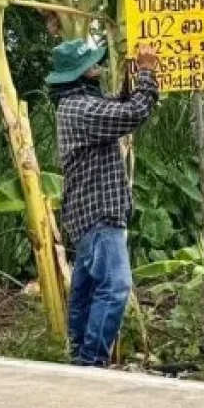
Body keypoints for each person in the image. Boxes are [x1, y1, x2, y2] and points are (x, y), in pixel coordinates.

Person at [47, 38, 160, 366]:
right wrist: (148, 73)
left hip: (86, 215)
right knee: (115, 286)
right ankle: (91, 359)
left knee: (84, 292)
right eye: (93, 67)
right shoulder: (82, 109)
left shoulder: (73, 106)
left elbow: (115, 107)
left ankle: (78, 356)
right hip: (99, 213)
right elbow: (133, 112)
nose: (98, 71)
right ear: (82, 76)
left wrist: (130, 81)